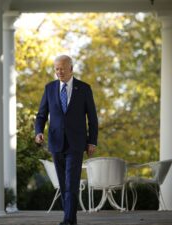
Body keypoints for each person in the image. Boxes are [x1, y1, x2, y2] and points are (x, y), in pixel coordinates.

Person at [35, 55, 98, 225]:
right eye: (56, 69)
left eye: (62, 68)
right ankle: (71, 219)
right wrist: (38, 131)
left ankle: (68, 220)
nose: (59, 72)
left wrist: (92, 141)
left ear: (71, 69)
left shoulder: (84, 88)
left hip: (76, 143)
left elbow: (92, 117)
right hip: (56, 143)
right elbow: (41, 115)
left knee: (71, 182)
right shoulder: (49, 88)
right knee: (63, 184)